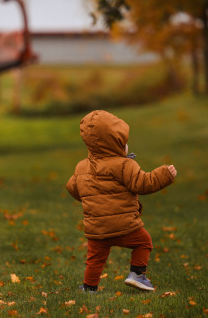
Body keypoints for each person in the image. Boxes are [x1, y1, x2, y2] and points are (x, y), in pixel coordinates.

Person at [66, 110, 177, 293]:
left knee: (95, 258)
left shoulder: (81, 167)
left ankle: (89, 287)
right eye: (123, 141)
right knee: (144, 242)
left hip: (96, 228)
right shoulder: (125, 165)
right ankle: (137, 274)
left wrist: (91, 198)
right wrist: (164, 175)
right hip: (124, 225)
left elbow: (73, 188)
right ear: (115, 143)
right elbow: (143, 183)